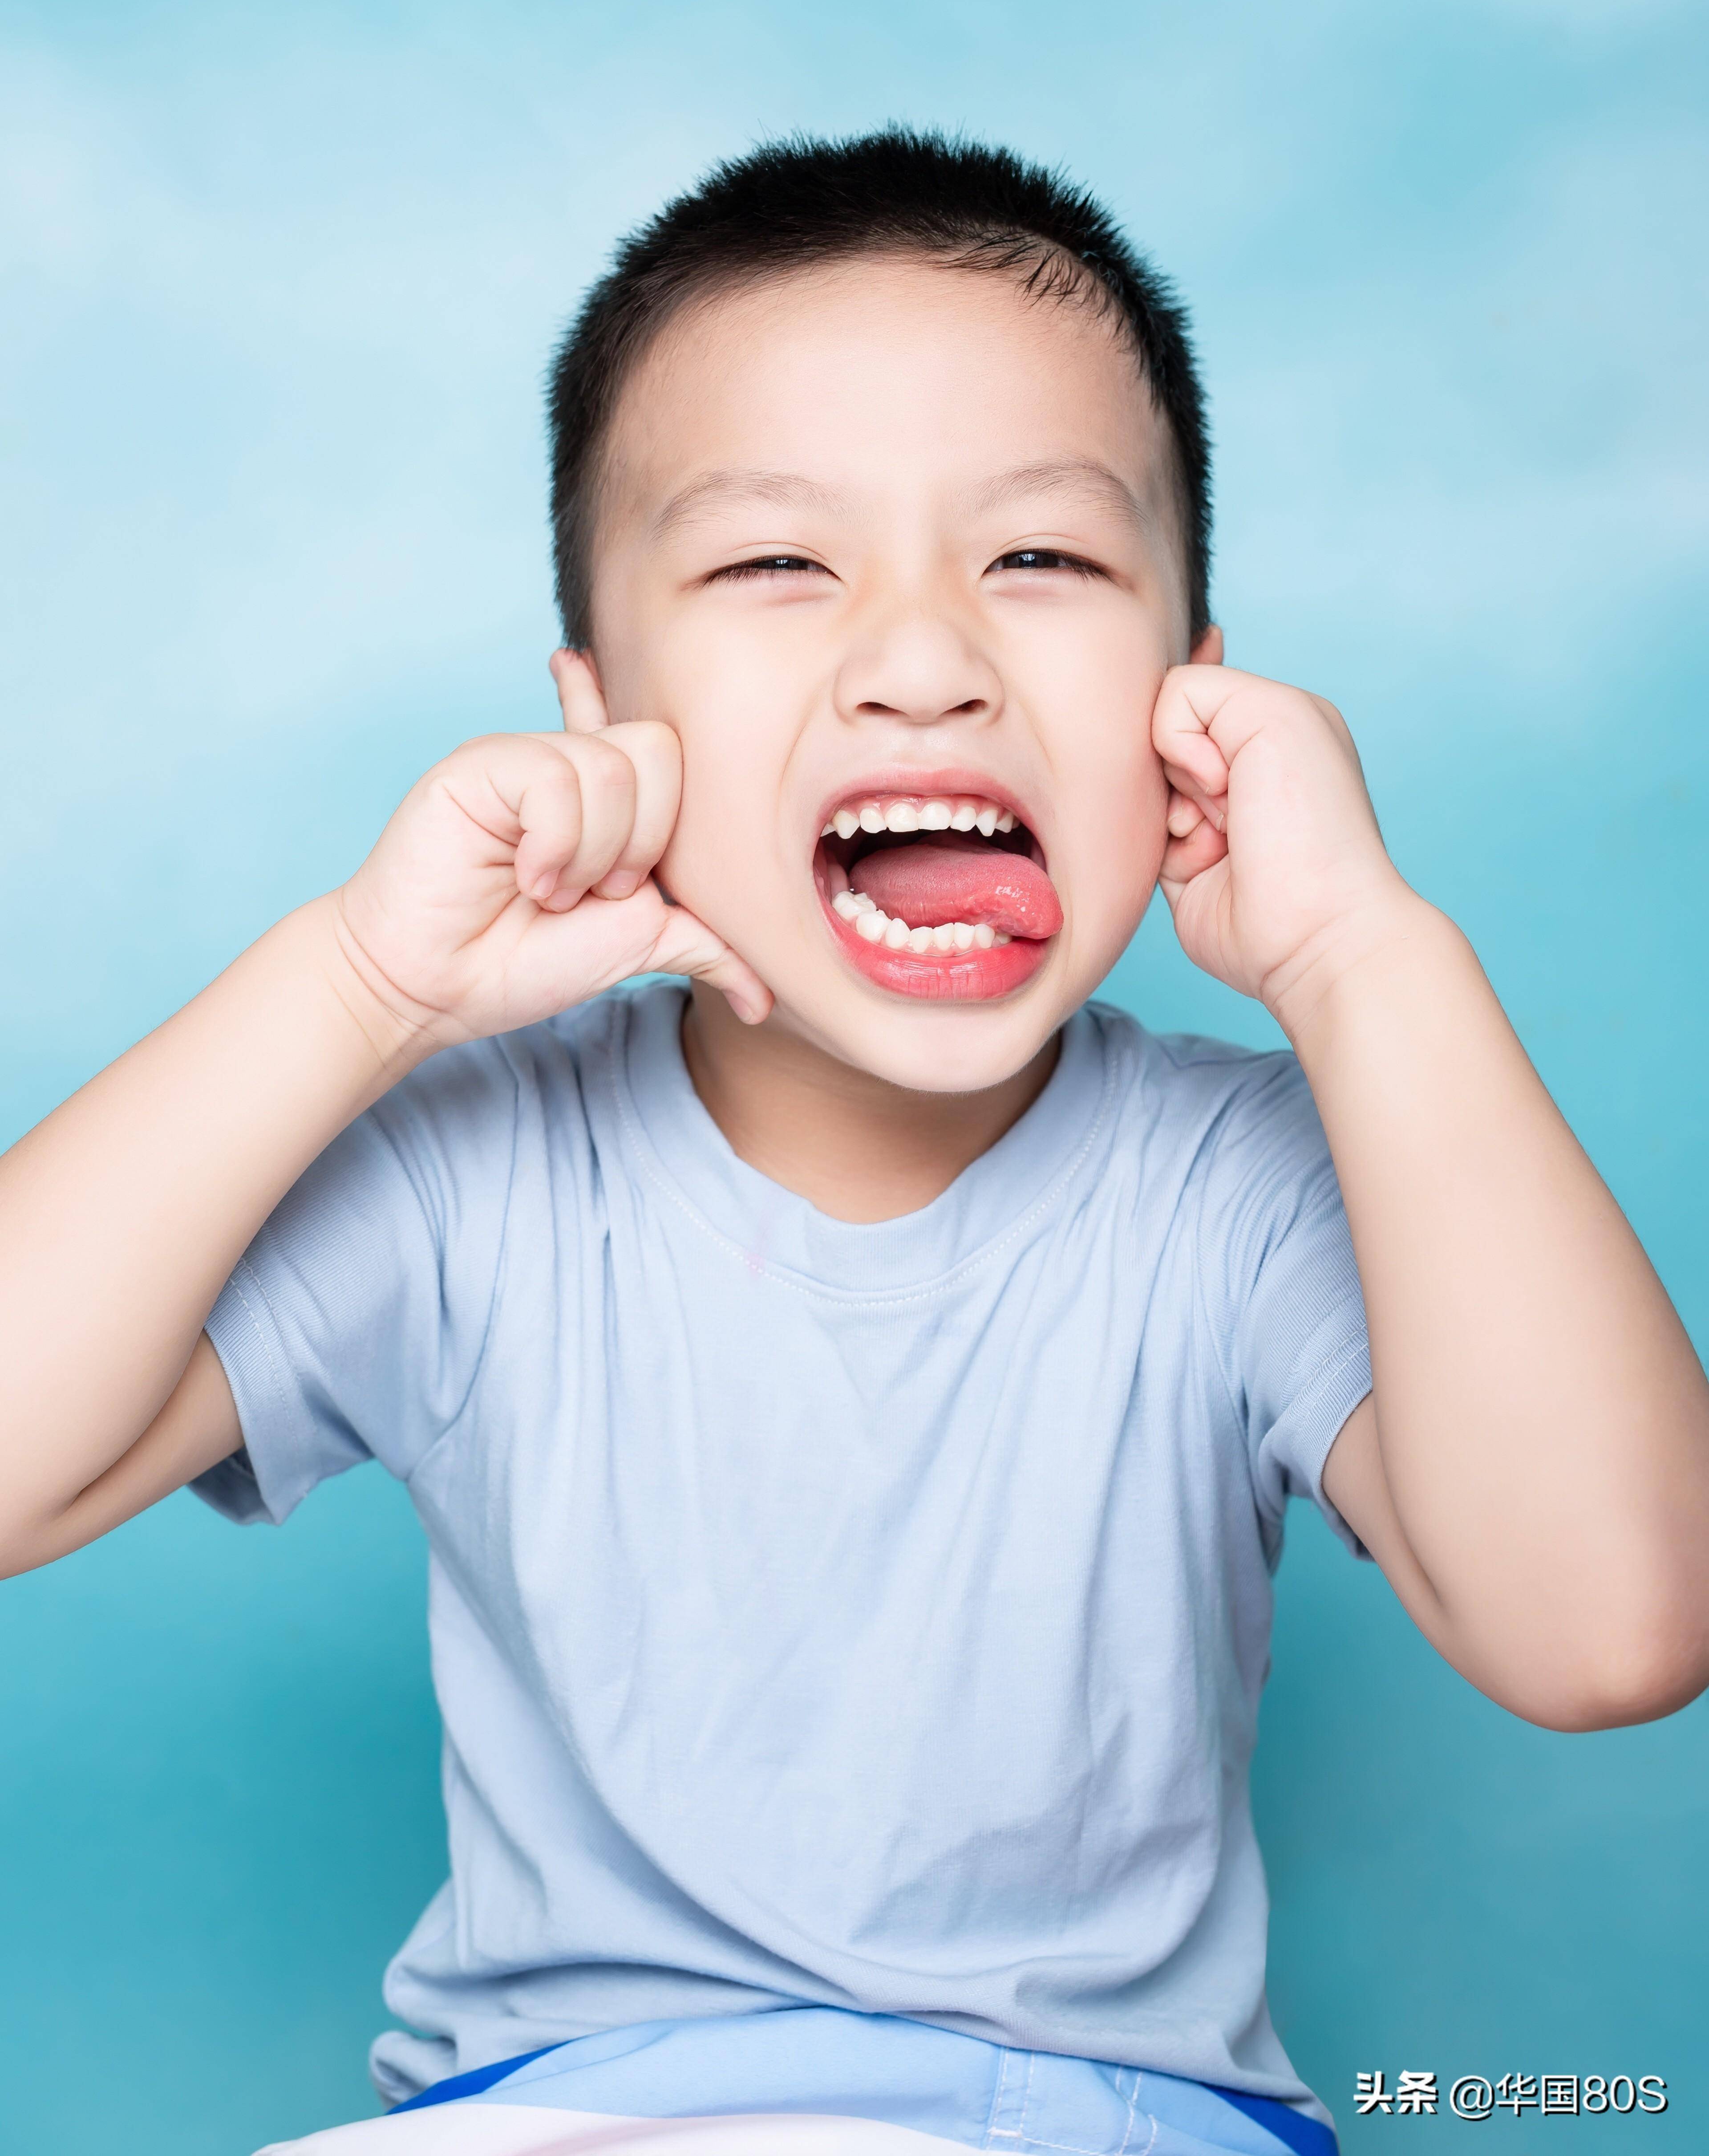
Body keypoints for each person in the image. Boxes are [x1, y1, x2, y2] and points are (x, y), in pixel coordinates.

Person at [2, 130, 1705, 2156]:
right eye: (773, 562)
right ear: (602, 711)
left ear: (1192, 698)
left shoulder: (1240, 1187)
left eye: (1044, 559)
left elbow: (1614, 1627)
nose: (923, 655)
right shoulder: (478, 1171)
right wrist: (358, 985)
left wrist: (1363, 953)